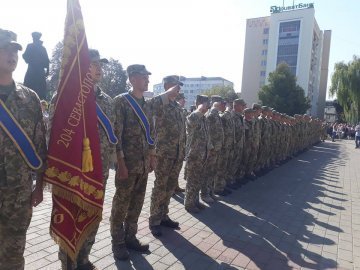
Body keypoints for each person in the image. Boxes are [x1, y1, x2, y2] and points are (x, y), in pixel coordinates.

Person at [51, 49, 116, 270]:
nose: (99, 69)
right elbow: (55, 135)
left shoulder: (106, 100)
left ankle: (83, 258)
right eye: (93, 64)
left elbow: (111, 134)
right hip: (72, 171)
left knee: (93, 214)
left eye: (100, 64)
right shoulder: (65, 96)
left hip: (99, 171)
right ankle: (68, 263)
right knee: (70, 217)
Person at [110, 65, 179, 260]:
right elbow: (116, 136)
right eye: (143, 77)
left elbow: (150, 134)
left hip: (142, 165)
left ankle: (130, 237)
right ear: (132, 79)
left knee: (136, 204)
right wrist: (120, 163)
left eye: (148, 77)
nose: (147, 80)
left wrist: (152, 156)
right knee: (120, 206)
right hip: (127, 165)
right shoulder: (121, 102)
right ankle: (117, 243)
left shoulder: (147, 105)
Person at [0, 28, 47, 270]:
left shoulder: (30, 99)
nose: (12, 55)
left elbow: (40, 147)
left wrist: (39, 186)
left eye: (15, 50)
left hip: (19, 194)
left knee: (14, 254)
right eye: (5, 48)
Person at [149, 75, 186, 237]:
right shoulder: (161, 104)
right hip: (163, 153)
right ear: (168, 86)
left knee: (170, 187)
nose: (179, 89)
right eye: (176, 86)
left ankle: (163, 215)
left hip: (177, 154)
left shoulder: (177, 107)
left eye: (179, 86)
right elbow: (149, 106)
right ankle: (154, 220)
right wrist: (167, 94)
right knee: (160, 187)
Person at [184, 95, 211, 213]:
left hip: (202, 155)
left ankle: (195, 201)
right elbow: (191, 122)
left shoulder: (204, 118)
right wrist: (199, 109)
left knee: (198, 180)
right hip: (194, 155)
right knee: (192, 181)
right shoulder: (193, 116)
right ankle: (189, 204)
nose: (207, 106)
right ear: (199, 103)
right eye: (205, 103)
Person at [22, 32, 50, 100]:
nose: (34, 38)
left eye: (35, 37)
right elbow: (25, 56)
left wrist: (47, 71)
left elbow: (47, 61)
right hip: (33, 70)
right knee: (28, 87)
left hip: (37, 71)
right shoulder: (31, 46)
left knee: (40, 89)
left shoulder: (42, 48)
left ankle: (41, 103)